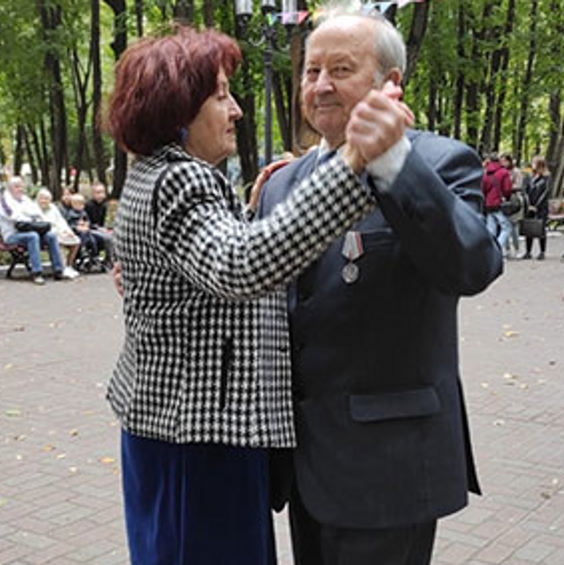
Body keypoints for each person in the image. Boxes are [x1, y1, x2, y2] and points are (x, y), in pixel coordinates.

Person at [106, 25, 409, 565]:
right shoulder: (182, 181)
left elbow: (206, 268)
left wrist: (246, 213)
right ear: (178, 105)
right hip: (199, 436)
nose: (237, 110)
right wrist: (352, 161)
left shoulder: (156, 175)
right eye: (221, 95)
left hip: (177, 428)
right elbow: (240, 267)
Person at [251, 10, 501, 564]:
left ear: (391, 84)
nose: (320, 85)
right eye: (311, 70)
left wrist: (392, 161)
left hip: (389, 470)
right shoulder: (281, 184)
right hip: (304, 468)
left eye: (341, 68)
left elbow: (474, 264)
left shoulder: (437, 162)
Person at [0, 176, 67, 285]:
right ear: (10, 188)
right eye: (16, 187)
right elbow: (13, 216)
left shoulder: (25, 199)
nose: (20, 189)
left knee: (51, 236)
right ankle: (37, 273)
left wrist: (27, 217)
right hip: (12, 235)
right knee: (32, 236)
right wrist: (27, 216)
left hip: (28, 231)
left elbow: (37, 214)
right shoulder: (4, 201)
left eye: (21, 186)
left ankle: (58, 270)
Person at [35, 188, 80, 279]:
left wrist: (68, 232)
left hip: (60, 232)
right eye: (42, 198)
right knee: (58, 241)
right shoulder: (34, 209)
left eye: (47, 199)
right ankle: (62, 268)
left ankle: (68, 265)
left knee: (76, 241)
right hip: (47, 234)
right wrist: (59, 233)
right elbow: (41, 225)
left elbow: (61, 221)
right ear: (37, 198)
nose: (44, 201)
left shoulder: (53, 208)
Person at [481, 153, 513, 251]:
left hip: (489, 204)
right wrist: (506, 197)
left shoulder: (486, 173)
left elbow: (483, 189)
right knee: (507, 227)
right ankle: (497, 248)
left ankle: (490, 250)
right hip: (499, 204)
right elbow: (507, 189)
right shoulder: (504, 172)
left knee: (491, 230)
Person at [523, 155, 550, 260]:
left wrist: (536, 206)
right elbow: (524, 191)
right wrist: (528, 204)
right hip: (529, 206)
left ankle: (542, 251)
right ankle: (528, 251)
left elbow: (545, 193)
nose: (532, 164)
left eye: (534, 162)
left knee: (541, 228)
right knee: (528, 228)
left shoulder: (546, 177)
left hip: (541, 207)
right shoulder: (528, 177)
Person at [84, 182, 115, 264]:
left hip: (99, 229)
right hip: (90, 230)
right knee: (108, 237)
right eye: (98, 192)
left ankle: (113, 258)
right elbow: (87, 222)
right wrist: (99, 228)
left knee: (114, 234)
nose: (101, 195)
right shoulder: (88, 205)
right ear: (93, 194)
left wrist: (105, 228)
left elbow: (102, 222)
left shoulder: (104, 205)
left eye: (102, 192)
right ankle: (109, 260)